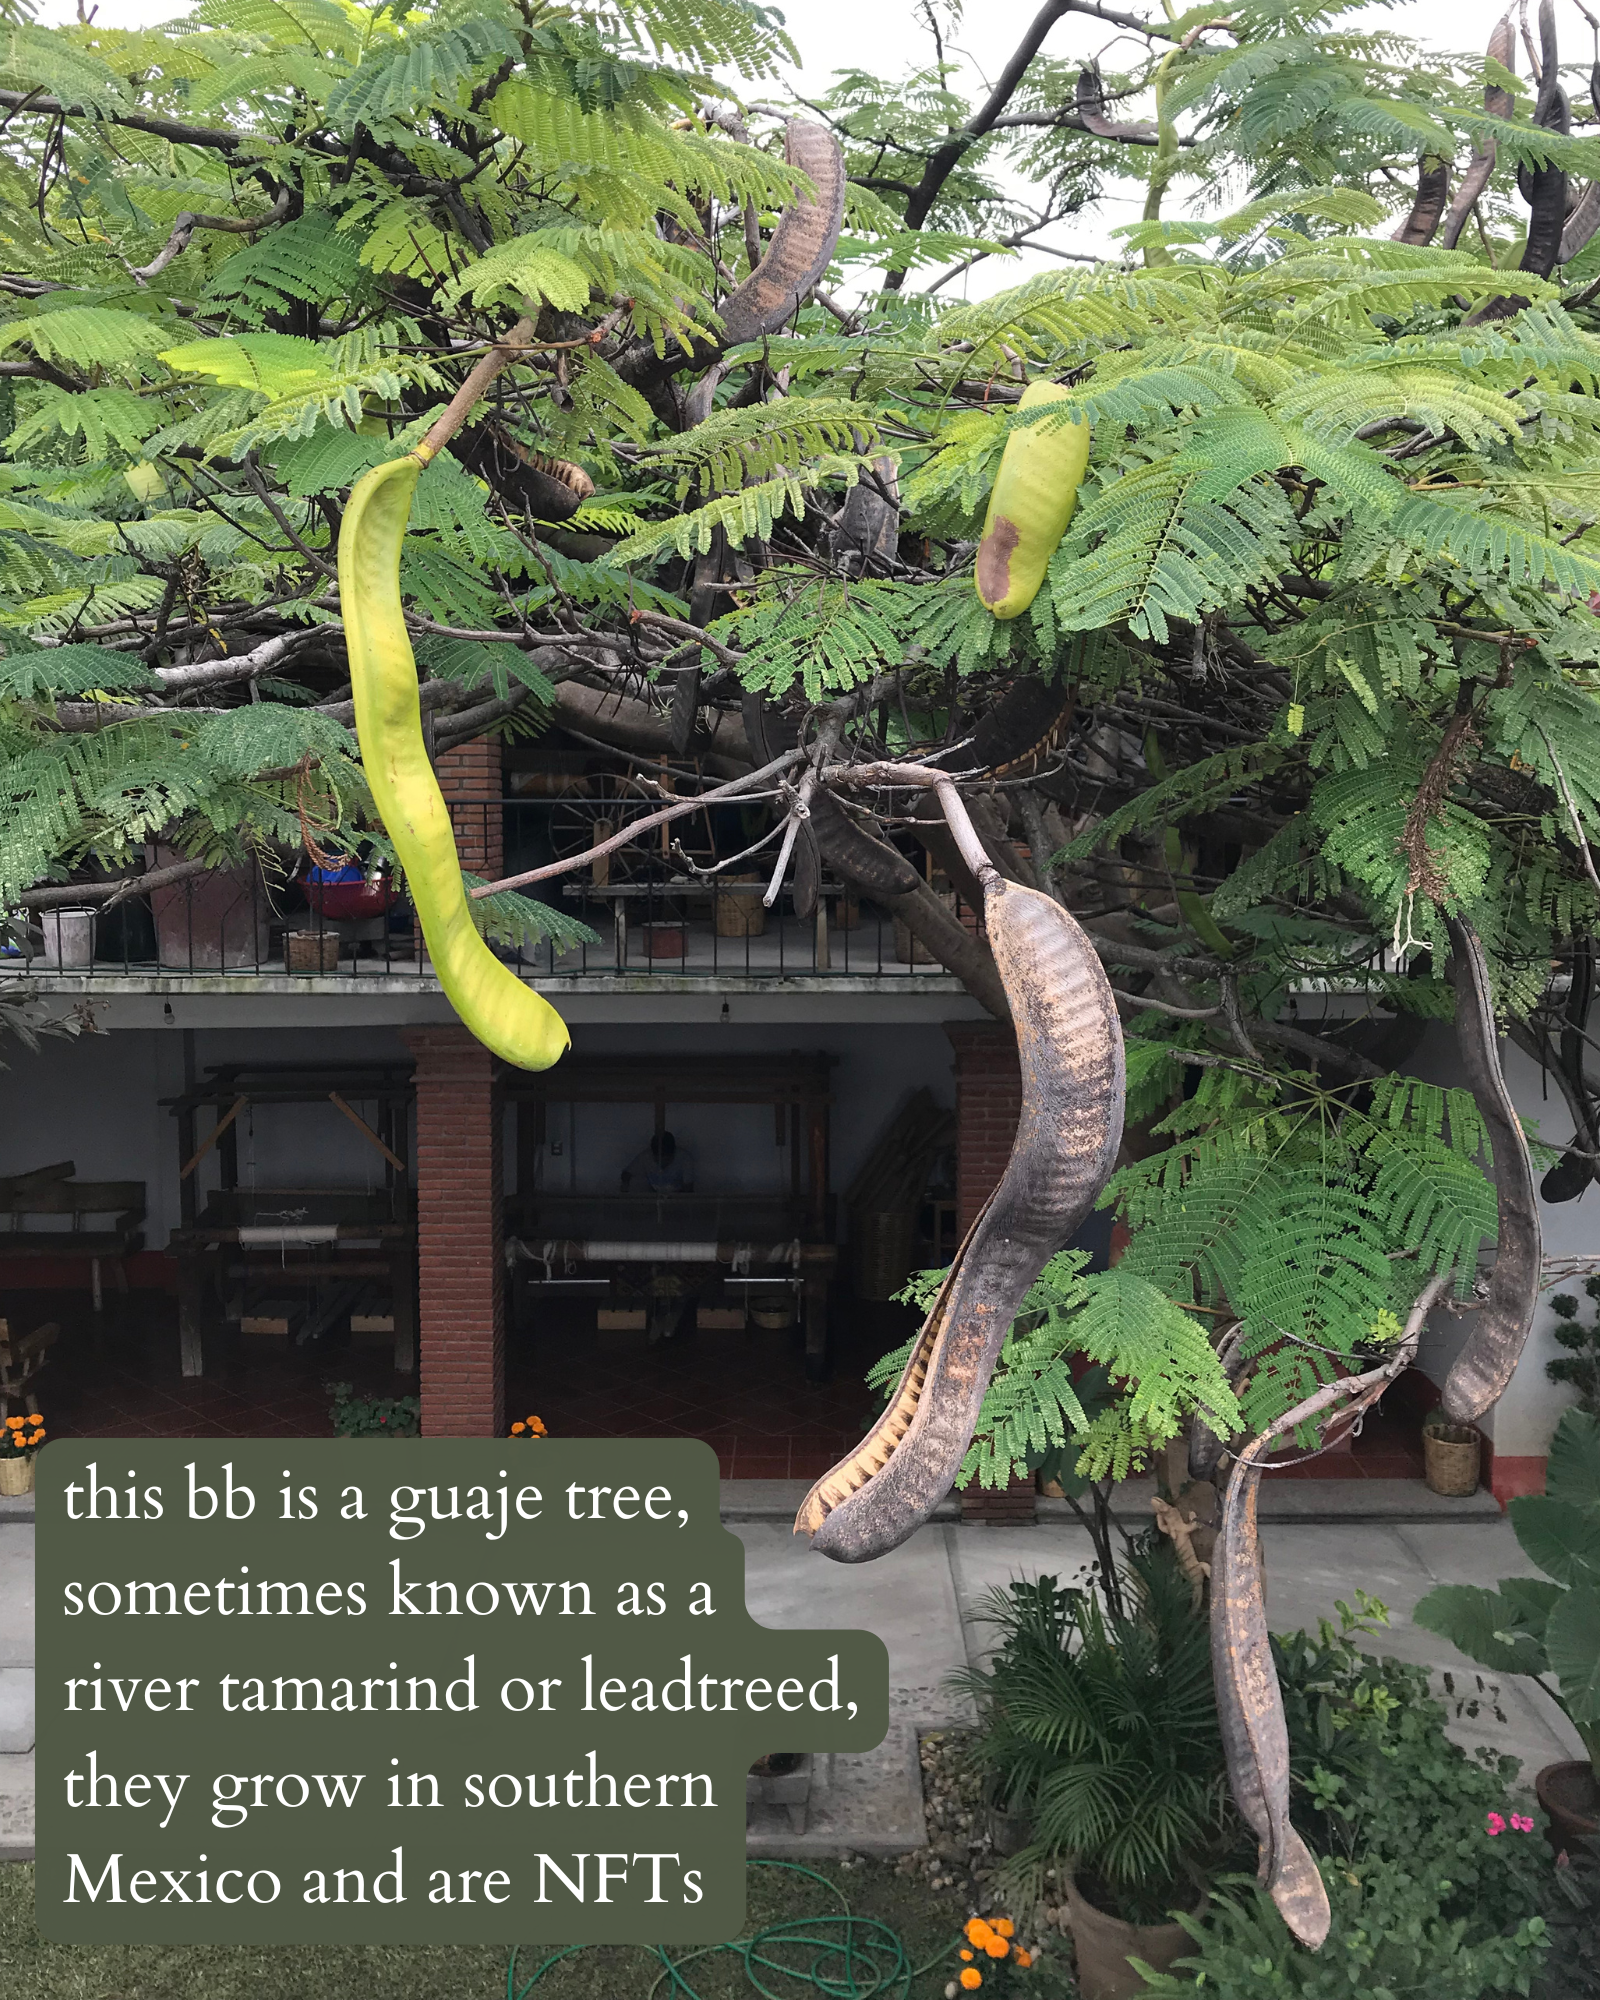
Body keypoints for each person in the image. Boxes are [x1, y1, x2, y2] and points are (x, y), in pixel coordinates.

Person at [621, 1129, 695, 1194]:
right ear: (653, 1154)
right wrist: (625, 1188)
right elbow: (627, 1173)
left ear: (673, 1153)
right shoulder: (645, 1157)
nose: (662, 1163)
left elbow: (688, 1189)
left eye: (666, 1159)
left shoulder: (685, 1159)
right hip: (653, 1197)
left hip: (677, 1199)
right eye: (658, 1160)